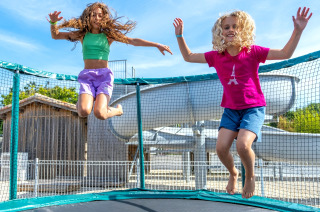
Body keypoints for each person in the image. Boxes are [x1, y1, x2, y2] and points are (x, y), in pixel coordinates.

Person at [173, 7, 312, 199]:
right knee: (220, 148)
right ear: (220, 32)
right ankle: (233, 172)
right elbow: (188, 56)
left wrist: (298, 30)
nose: (230, 30)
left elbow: (285, 53)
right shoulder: (216, 56)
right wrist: (180, 36)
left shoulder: (252, 52)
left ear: (242, 29)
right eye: (226, 27)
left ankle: (250, 176)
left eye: (235, 26)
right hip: (231, 110)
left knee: (243, 146)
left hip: (253, 108)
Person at [48, 2, 172, 120]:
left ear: (104, 18)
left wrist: (156, 45)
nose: (97, 18)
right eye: (93, 15)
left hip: (104, 77)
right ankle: (81, 104)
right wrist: (53, 23)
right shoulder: (82, 34)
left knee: (100, 113)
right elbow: (56, 35)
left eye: (100, 15)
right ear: (88, 17)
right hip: (87, 76)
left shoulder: (108, 36)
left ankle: (118, 110)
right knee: (84, 112)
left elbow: (133, 41)